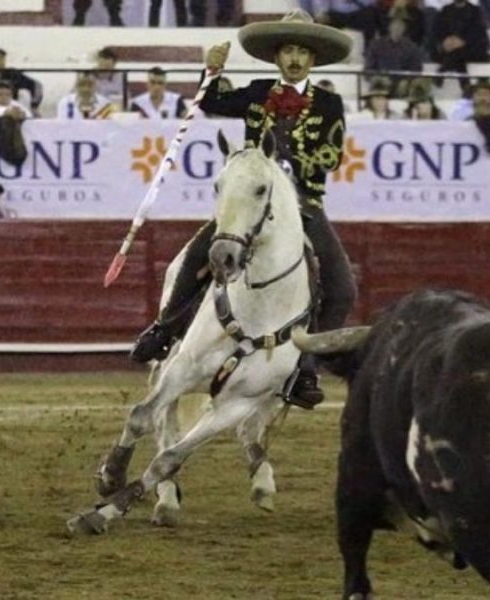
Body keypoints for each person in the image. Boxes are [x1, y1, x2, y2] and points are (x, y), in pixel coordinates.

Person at [131, 10, 357, 410]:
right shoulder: (256, 92)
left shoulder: (329, 103)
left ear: (313, 59)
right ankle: (163, 330)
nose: (295, 59)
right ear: (276, 56)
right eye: (288, 49)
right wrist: (211, 70)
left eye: (303, 52)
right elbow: (212, 102)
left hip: (301, 204)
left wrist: (285, 166)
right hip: (251, 201)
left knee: (341, 287)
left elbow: (331, 155)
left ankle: (305, 368)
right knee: (201, 252)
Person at [433, 0, 490, 91]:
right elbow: (439, 30)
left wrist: (463, 41)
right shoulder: (445, 10)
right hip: (452, 49)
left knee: (457, 54)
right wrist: (446, 41)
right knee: (457, 55)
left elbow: (478, 33)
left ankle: (443, 70)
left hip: (472, 48)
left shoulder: (475, 11)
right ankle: (466, 87)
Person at [365, 15, 424, 98]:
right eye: (395, 24)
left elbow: (417, 70)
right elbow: (368, 69)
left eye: (400, 25)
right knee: (379, 86)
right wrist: (379, 79)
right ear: (389, 27)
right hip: (381, 85)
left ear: (404, 28)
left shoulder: (412, 47)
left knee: (405, 87)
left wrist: (407, 81)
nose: (397, 28)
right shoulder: (376, 45)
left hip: (403, 86)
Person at [0, 47, 43, 116]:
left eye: (1, 57)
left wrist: (34, 106)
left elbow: (36, 86)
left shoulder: (13, 74)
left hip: (12, 110)